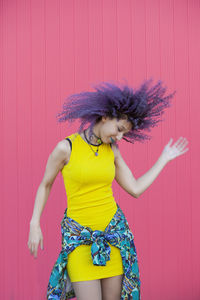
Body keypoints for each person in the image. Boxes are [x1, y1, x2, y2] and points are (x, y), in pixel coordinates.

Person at [27, 79, 189, 300]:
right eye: (119, 129)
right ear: (104, 116)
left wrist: (164, 158)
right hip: (80, 241)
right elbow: (45, 185)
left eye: (125, 133)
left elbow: (135, 188)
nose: (120, 137)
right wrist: (34, 223)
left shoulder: (112, 149)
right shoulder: (66, 148)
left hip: (114, 237)